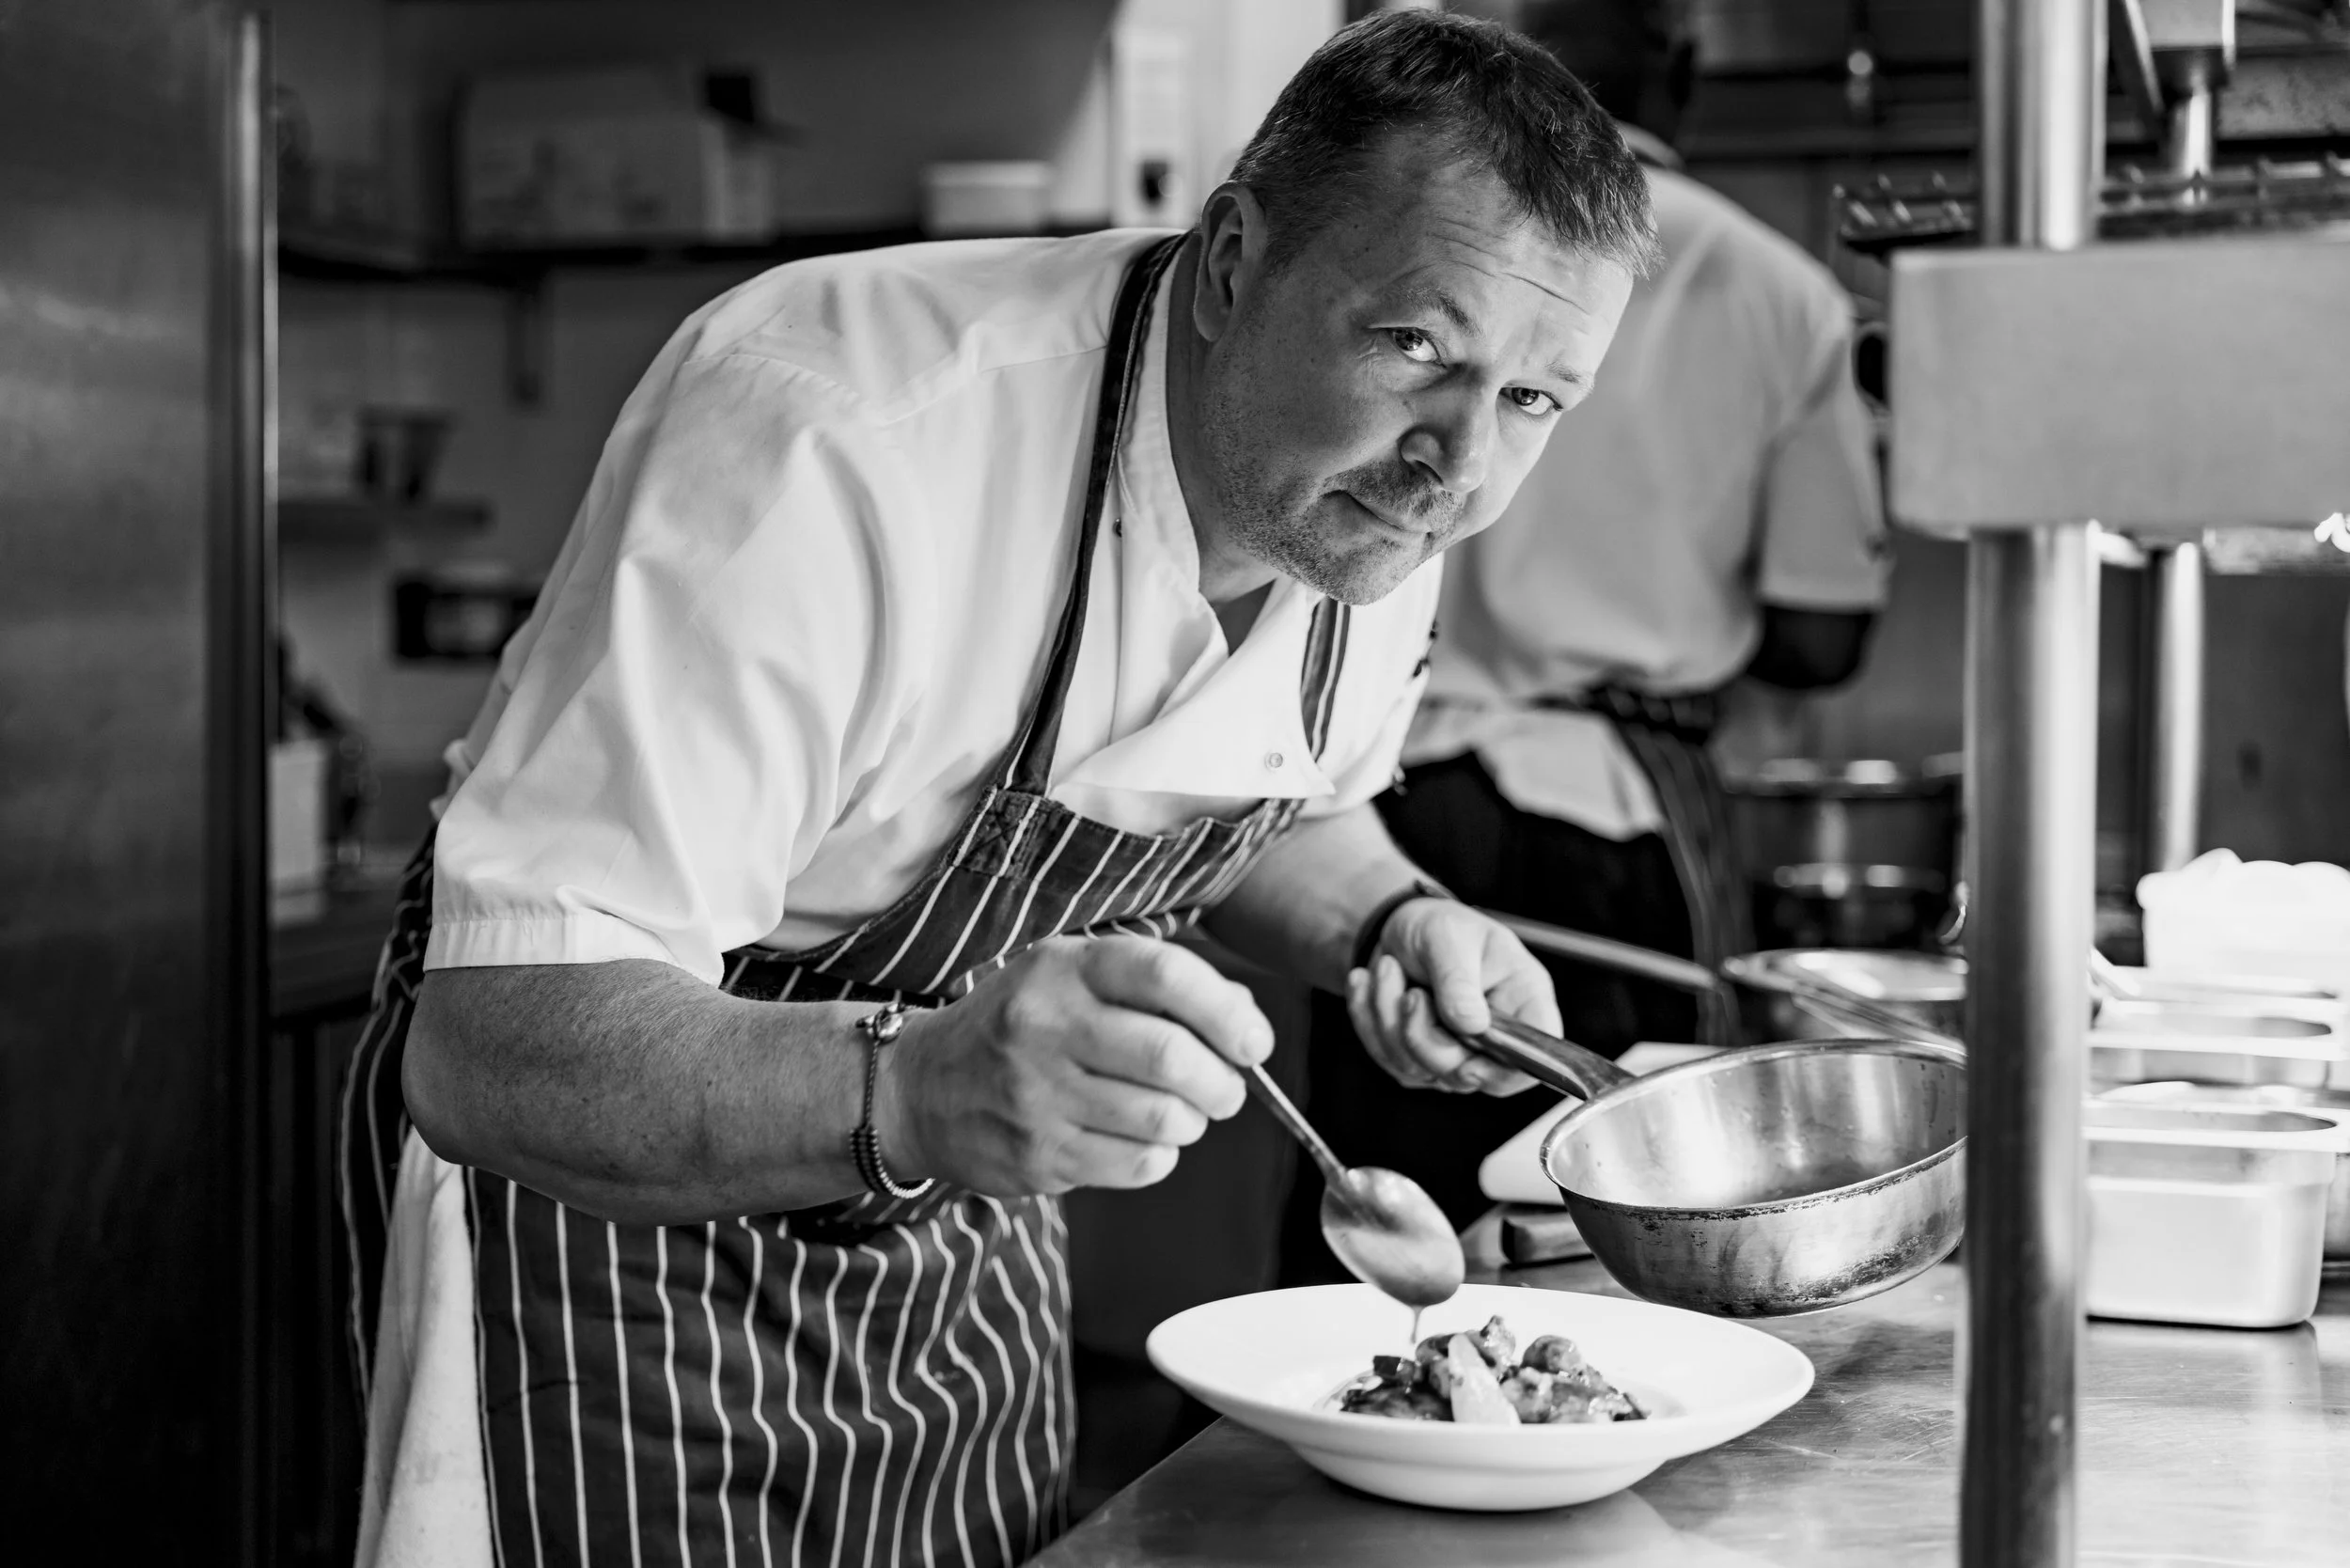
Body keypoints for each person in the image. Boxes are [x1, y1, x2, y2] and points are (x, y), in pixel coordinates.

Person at [336, 11, 1653, 1566]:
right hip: (612, 1257)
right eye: (1414, 345)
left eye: (1532, 402)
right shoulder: (838, 434)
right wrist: (916, 1088)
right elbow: (491, 1046)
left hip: (958, 1262)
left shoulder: (1368, 507)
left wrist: (1385, 920)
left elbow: (1262, 800)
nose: (1460, 470)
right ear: (1233, 260)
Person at [1285, 0, 1890, 1256]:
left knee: (1371, 1205)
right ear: (1680, 70)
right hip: (1603, 819)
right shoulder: (1779, 294)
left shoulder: (1420, 242)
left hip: (1397, 787)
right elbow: (1823, 635)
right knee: (1614, 1216)